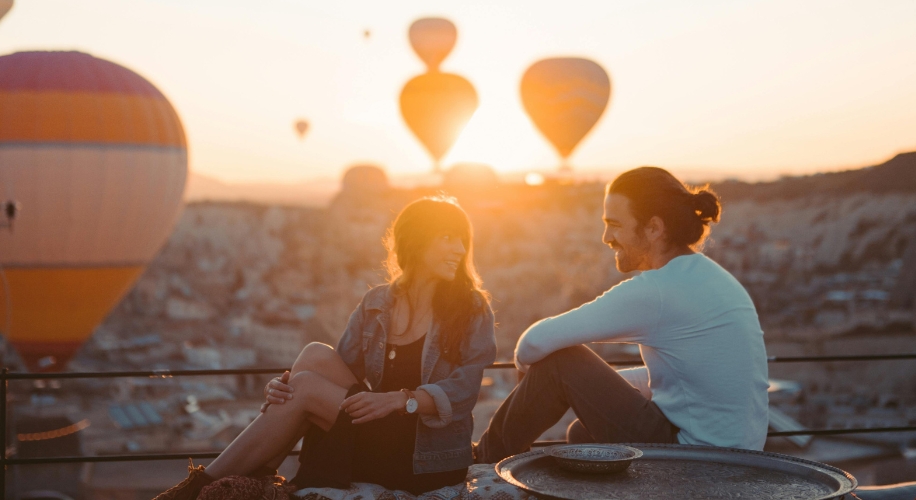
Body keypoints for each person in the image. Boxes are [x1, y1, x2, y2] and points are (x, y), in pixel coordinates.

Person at [155, 196, 496, 500]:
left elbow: (465, 391)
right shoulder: (378, 302)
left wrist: (399, 399)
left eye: (462, 240)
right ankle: (247, 475)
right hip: (378, 433)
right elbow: (331, 369)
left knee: (304, 386)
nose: (459, 250)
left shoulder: (471, 308)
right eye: (447, 238)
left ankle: (197, 490)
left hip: (427, 456)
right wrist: (281, 390)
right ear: (416, 241)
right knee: (313, 355)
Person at [474, 166, 769, 464]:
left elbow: (534, 342)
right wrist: (592, 385)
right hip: (736, 459)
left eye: (614, 224)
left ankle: (483, 460)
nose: (606, 237)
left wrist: (530, 371)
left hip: (694, 459)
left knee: (561, 361)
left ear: (654, 228)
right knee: (582, 436)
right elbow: (689, 379)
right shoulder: (712, 278)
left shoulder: (657, 290)